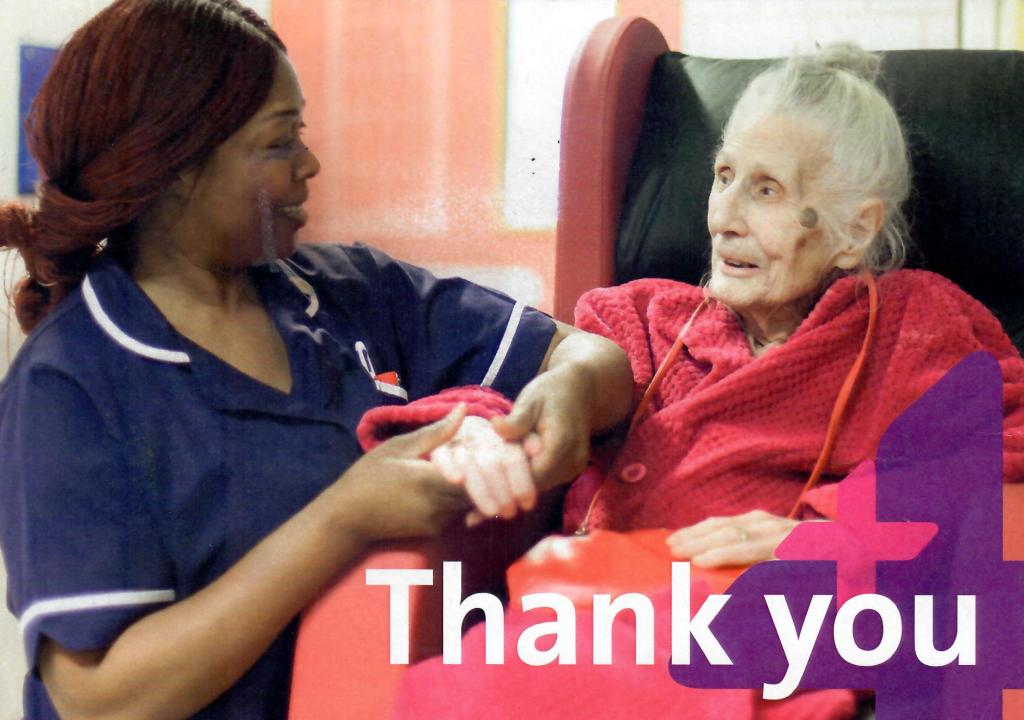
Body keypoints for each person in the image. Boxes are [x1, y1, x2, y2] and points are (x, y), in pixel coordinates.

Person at [0, 2, 634, 718]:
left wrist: (568, 398)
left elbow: (592, 356)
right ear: (177, 167)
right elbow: (100, 700)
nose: (310, 164)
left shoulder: (350, 294)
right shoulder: (72, 384)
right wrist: (342, 520)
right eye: (280, 143)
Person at [362, 42, 1024, 719]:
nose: (723, 217)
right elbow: (527, 397)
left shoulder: (911, 324)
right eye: (723, 175)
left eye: (766, 190)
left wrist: (831, 535)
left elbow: (1005, 448)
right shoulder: (642, 318)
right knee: (458, 688)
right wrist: (478, 434)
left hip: (785, 620)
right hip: (601, 615)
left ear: (855, 231)